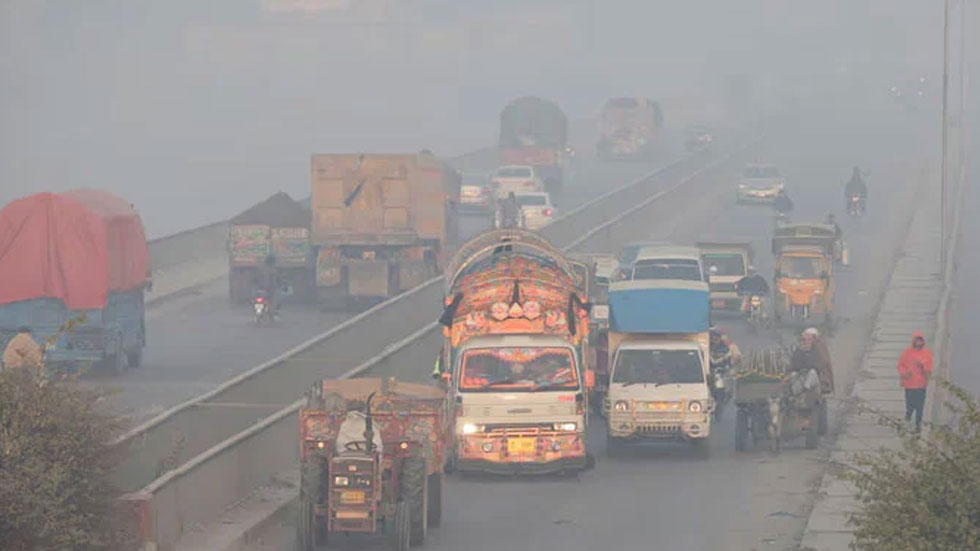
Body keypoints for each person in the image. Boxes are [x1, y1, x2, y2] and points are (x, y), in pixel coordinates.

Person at [896, 331, 933, 433]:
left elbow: (929, 368)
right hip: (909, 384)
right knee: (909, 405)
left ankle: (918, 425)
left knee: (920, 407)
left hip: (921, 384)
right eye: (917, 340)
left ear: (923, 342)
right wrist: (904, 373)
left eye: (920, 341)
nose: (918, 343)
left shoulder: (926, 353)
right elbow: (900, 365)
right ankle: (907, 419)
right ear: (913, 341)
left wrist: (921, 365)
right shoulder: (907, 352)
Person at [790, 328, 834, 395]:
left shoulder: (818, 349)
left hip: (816, 378)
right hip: (801, 374)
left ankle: (806, 390)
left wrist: (807, 367)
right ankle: (797, 395)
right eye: (804, 337)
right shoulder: (799, 349)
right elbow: (794, 364)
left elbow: (821, 365)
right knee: (794, 375)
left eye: (807, 336)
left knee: (812, 373)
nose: (804, 339)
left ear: (813, 337)